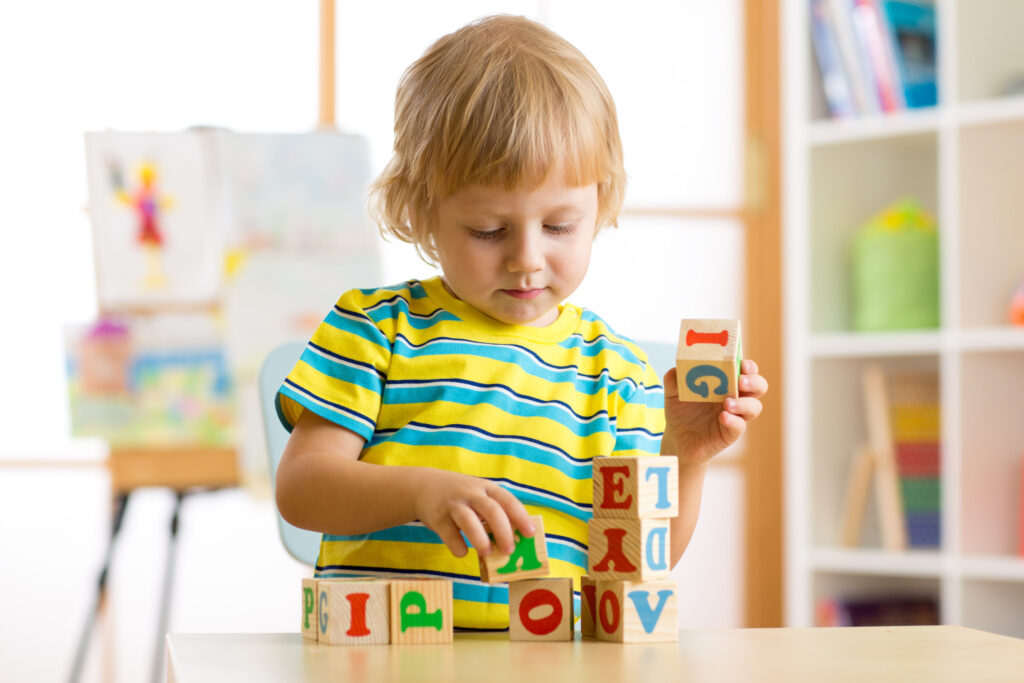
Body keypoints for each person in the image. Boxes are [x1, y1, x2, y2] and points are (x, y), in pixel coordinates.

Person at [274, 14, 768, 630]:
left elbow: (637, 557)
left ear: (601, 203)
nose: (527, 259)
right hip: (387, 658)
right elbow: (301, 488)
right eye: (488, 229)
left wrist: (687, 457)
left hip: (552, 663)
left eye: (560, 225)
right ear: (421, 211)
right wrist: (419, 492)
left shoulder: (620, 374)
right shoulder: (377, 329)